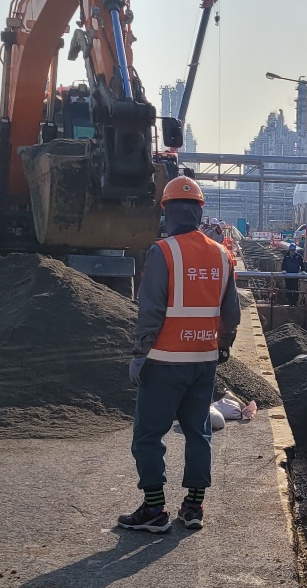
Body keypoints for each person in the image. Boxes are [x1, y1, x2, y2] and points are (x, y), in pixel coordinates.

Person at [120, 177, 241, 533]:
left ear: (166, 212)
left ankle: (155, 511)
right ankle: (193, 507)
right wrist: (222, 345)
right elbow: (231, 313)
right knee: (198, 434)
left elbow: (151, 310)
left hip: (164, 362)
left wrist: (141, 353)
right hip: (203, 361)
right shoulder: (222, 254)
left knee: (148, 436)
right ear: (200, 212)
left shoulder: (164, 252)